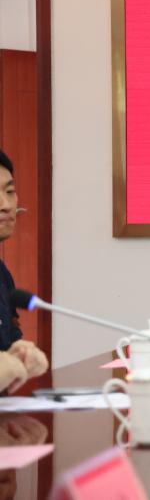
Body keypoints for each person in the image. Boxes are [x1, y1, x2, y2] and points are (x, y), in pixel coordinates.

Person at [0, 150, 48, 393]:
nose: (6, 205)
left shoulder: (2, 274)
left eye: (9, 192)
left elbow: (7, 342)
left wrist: (19, 354)